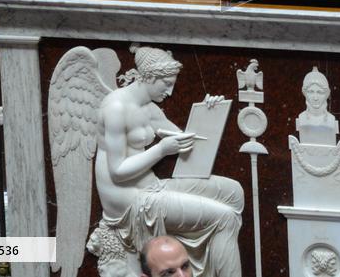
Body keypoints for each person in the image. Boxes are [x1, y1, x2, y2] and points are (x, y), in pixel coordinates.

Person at [95, 46, 244, 277]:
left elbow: (186, 142)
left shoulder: (149, 108)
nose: (171, 91)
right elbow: (117, 171)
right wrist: (161, 150)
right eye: (167, 84)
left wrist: (208, 112)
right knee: (225, 219)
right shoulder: (115, 107)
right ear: (150, 77)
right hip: (131, 204)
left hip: (150, 187)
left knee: (234, 192)